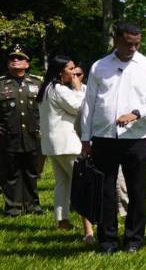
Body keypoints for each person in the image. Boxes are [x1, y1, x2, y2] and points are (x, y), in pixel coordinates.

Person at [79, 23, 146, 254]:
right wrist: (85, 139)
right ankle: (107, 241)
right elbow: (89, 104)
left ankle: (134, 239)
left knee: (137, 190)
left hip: (134, 137)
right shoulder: (100, 66)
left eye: (137, 44)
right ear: (116, 40)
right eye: (128, 44)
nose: (133, 48)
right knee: (105, 190)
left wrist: (136, 113)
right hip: (104, 137)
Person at [37, 54, 89, 234]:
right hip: (66, 143)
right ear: (60, 72)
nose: (74, 72)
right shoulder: (59, 89)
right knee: (82, 183)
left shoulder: (46, 89)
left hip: (52, 144)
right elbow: (78, 107)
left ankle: (62, 220)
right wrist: (79, 88)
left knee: (62, 183)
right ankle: (90, 225)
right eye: (70, 68)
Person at [1, 44, 43, 217]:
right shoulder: (1, 83)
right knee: (10, 173)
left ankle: (33, 205)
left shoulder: (37, 82)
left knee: (32, 172)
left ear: (27, 63)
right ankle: (13, 208)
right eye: (12, 58)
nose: (15, 60)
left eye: (20, 58)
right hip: (8, 136)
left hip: (32, 136)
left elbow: (46, 108)